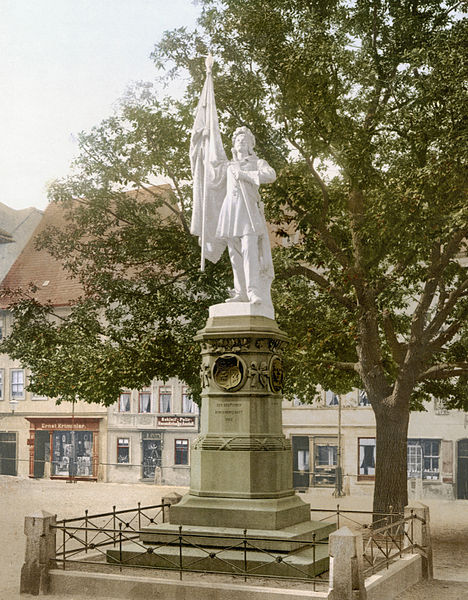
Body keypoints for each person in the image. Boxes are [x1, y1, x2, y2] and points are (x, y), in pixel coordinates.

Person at [213, 127, 276, 306]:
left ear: (250, 145)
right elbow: (213, 180)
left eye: (244, 141)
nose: (241, 143)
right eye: (238, 140)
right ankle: (240, 292)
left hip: (248, 209)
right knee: (234, 253)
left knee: (250, 251)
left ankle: (253, 291)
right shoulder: (228, 165)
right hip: (231, 210)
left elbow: (271, 175)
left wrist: (246, 175)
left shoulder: (257, 162)